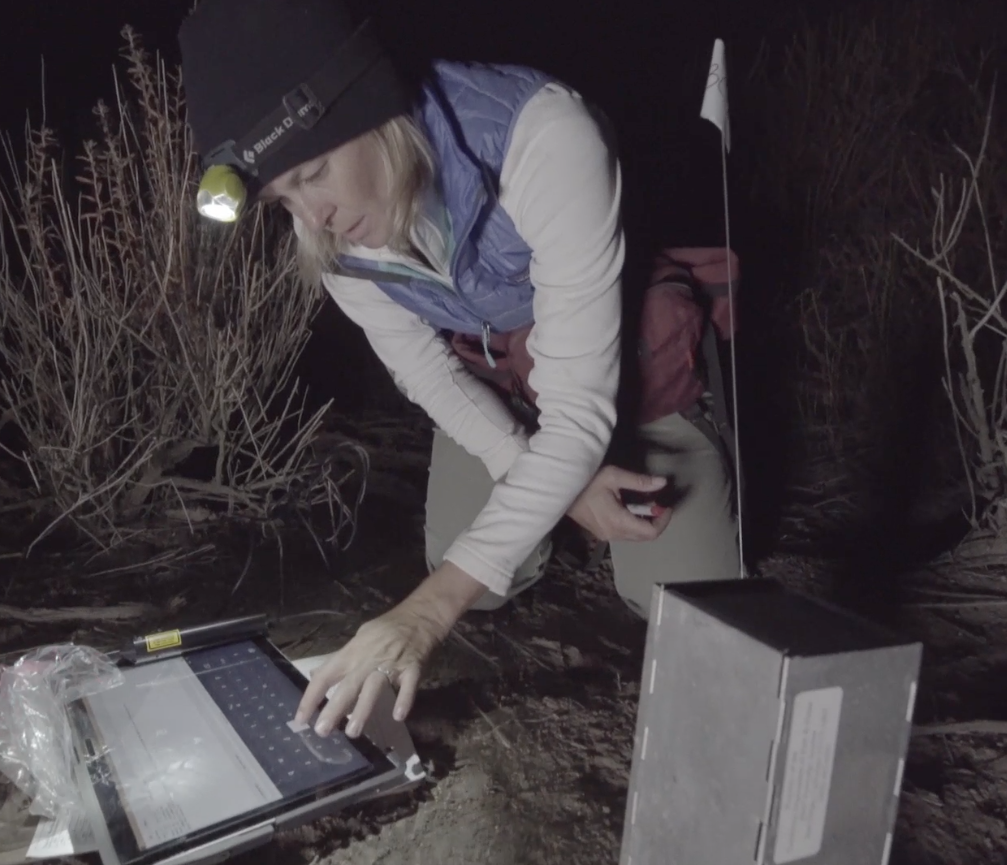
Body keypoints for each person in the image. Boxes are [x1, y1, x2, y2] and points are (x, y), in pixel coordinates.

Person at [178, 0, 741, 739]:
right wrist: (546, 478)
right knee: (465, 555)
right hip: (500, 370)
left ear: (373, 107)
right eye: (283, 197)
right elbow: (426, 374)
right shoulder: (331, 240)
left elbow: (577, 415)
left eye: (314, 172)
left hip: (627, 364)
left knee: (688, 598)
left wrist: (423, 611)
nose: (311, 217)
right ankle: (539, 505)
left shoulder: (544, 137)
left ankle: (678, 455)